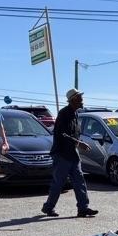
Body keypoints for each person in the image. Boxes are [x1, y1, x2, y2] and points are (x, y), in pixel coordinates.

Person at [41, 88, 98, 218]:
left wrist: (78, 143)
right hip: (61, 154)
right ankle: (48, 207)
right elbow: (62, 134)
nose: (82, 100)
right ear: (73, 100)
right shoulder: (64, 113)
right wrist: (79, 143)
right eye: (80, 98)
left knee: (80, 181)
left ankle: (83, 208)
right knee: (58, 183)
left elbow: (74, 133)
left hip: (73, 154)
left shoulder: (75, 113)